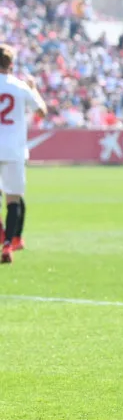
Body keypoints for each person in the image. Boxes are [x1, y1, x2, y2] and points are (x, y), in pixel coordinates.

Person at [0, 44, 46, 264]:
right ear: (11, 64)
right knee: (13, 198)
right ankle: (8, 244)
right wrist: (33, 88)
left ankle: (4, 233)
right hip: (13, 150)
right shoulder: (20, 86)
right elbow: (41, 112)